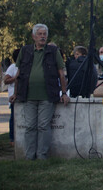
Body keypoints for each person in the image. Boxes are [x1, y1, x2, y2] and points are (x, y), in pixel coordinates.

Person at [10, 24, 70, 159]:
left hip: (48, 95)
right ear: (33, 36)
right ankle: (29, 156)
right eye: (40, 34)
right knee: (30, 126)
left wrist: (64, 93)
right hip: (28, 95)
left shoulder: (54, 51)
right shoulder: (25, 51)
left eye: (44, 34)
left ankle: (42, 156)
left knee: (43, 126)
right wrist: (15, 93)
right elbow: (18, 74)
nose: (42, 36)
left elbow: (61, 74)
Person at [5, 49, 20, 144]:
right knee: (13, 118)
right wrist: (16, 78)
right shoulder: (13, 67)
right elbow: (5, 80)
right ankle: (12, 138)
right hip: (13, 96)